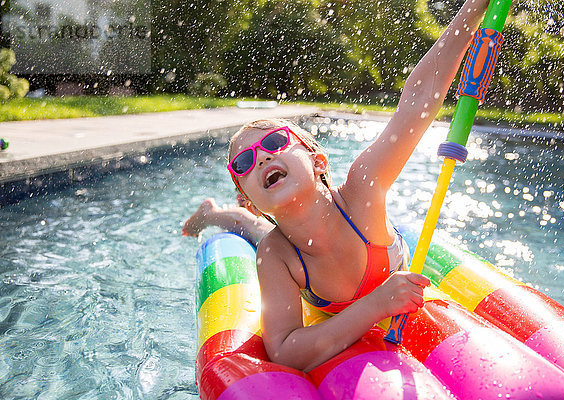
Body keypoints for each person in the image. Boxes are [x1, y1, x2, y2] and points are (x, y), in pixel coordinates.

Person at [183, 0, 490, 372]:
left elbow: (418, 99)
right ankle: (218, 214)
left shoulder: (363, 188)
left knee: (261, 230)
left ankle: (218, 212)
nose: (261, 158)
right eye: (244, 162)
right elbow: (284, 350)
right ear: (250, 198)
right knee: (257, 232)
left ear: (318, 160)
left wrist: (474, 8)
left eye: (275, 142)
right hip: (285, 243)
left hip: (382, 251)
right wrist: (376, 305)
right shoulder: (276, 255)